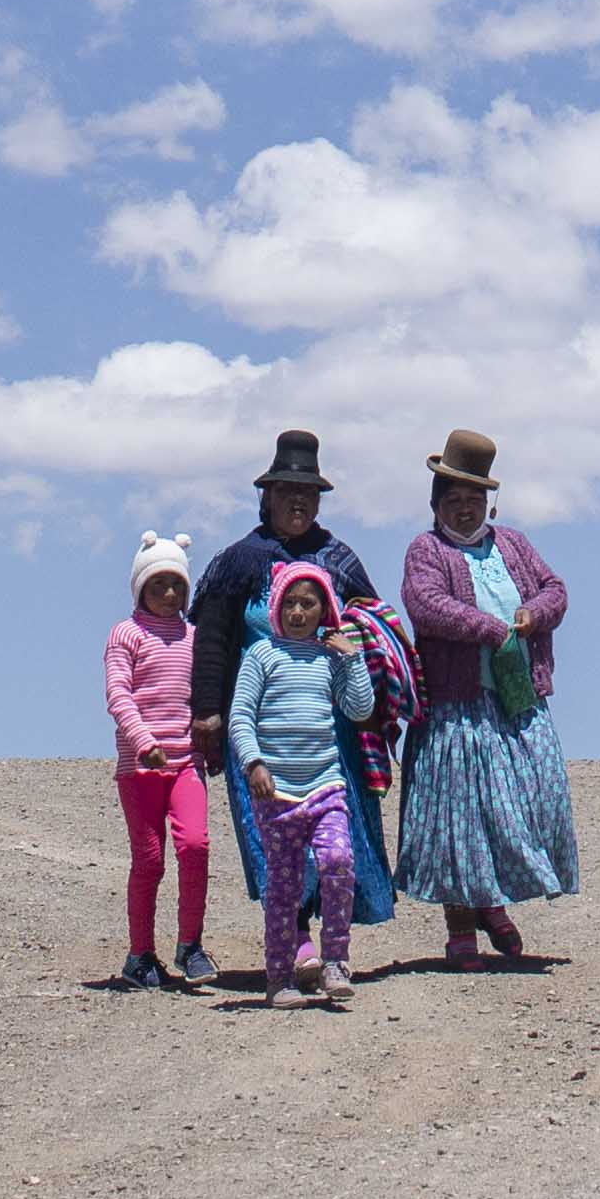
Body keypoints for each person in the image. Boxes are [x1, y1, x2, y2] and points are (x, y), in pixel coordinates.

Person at [397, 427, 577, 966]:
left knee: (529, 803)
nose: (465, 510)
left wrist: (532, 615)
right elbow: (425, 604)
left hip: (517, 701)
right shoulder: (426, 551)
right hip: (457, 707)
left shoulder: (514, 545)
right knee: (463, 818)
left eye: (474, 501)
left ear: (488, 505)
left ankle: (491, 901)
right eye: (453, 501)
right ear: (436, 506)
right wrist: (489, 626)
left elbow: (555, 589)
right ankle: (463, 926)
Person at [226, 557, 375, 1006]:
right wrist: (254, 764)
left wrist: (354, 660)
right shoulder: (261, 656)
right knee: (285, 886)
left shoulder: (331, 658)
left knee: (337, 860)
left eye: (308, 603)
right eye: (289, 602)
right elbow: (240, 716)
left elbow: (359, 709)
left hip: (325, 786)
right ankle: (279, 979)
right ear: (276, 606)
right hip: (278, 796)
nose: (297, 612)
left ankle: (335, 961)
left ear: (323, 608)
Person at [187, 429, 378, 777]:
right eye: (288, 490)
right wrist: (207, 710)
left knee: (336, 827)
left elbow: (373, 625)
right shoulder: (240, 561)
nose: (298, 500)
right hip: (258, 726)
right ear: (268, 497)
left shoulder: (338, 559)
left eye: (308, 492)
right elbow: (212, 639)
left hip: (330, 730)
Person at [100, 529, 209, 993]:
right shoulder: (126, 634)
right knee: (149, 861)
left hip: (187, 764)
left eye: (178, 585)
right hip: (141, 768)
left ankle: (190, 944)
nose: (169, 594)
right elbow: (118, 693)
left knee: (196, 847)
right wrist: (144, 741)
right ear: (140, 587)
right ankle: (140, 953)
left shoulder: (195, 635)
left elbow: (205, 692)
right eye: (159, 584)